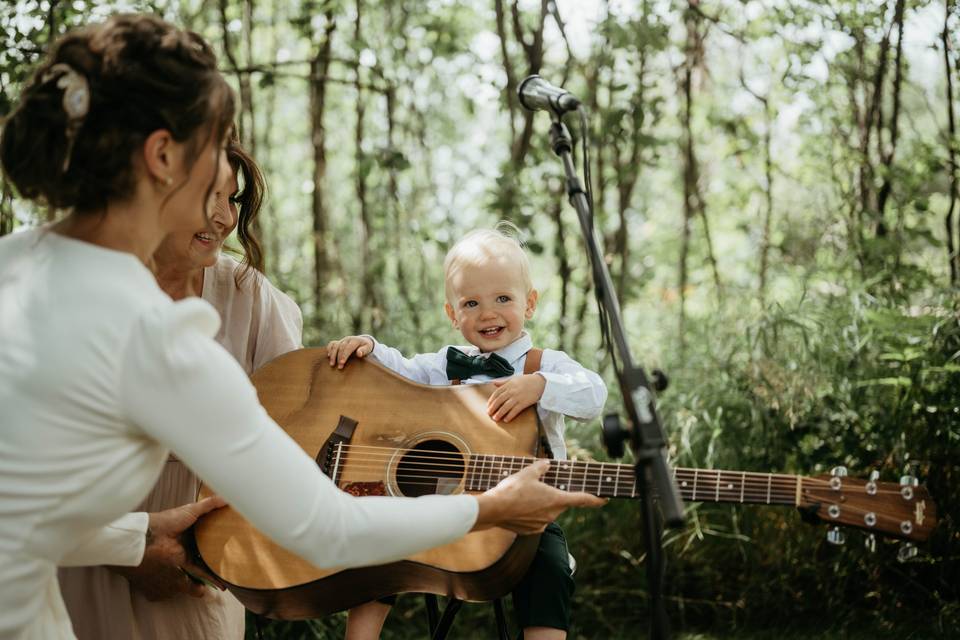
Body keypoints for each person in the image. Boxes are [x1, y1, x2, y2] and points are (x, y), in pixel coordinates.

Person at [0, 14, 604, 640]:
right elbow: (323, 525)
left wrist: (134, 536)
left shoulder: (10, 266)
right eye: (214, 146)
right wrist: (490, 508)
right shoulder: (155, 335)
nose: (226, 178)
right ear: (161, 156)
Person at [57, 138, 300, 640]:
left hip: (196, 573)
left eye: (232, 199)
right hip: (71, 572)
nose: (224, 217)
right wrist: (128, 546)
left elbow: (299, 426)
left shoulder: (248, 298)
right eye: (208, 194)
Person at [327, 224, 608, 640]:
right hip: (449, 508)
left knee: (547, 561)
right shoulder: (447, 363)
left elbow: (595, 394)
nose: (488, 313)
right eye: (471, 302)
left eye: (503, 299)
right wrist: (368, 346)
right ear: (452, 314)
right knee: (378, 537)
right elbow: (401, 370)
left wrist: (543, 386)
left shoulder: (543, 364)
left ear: (529, 303)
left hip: (521, 518)